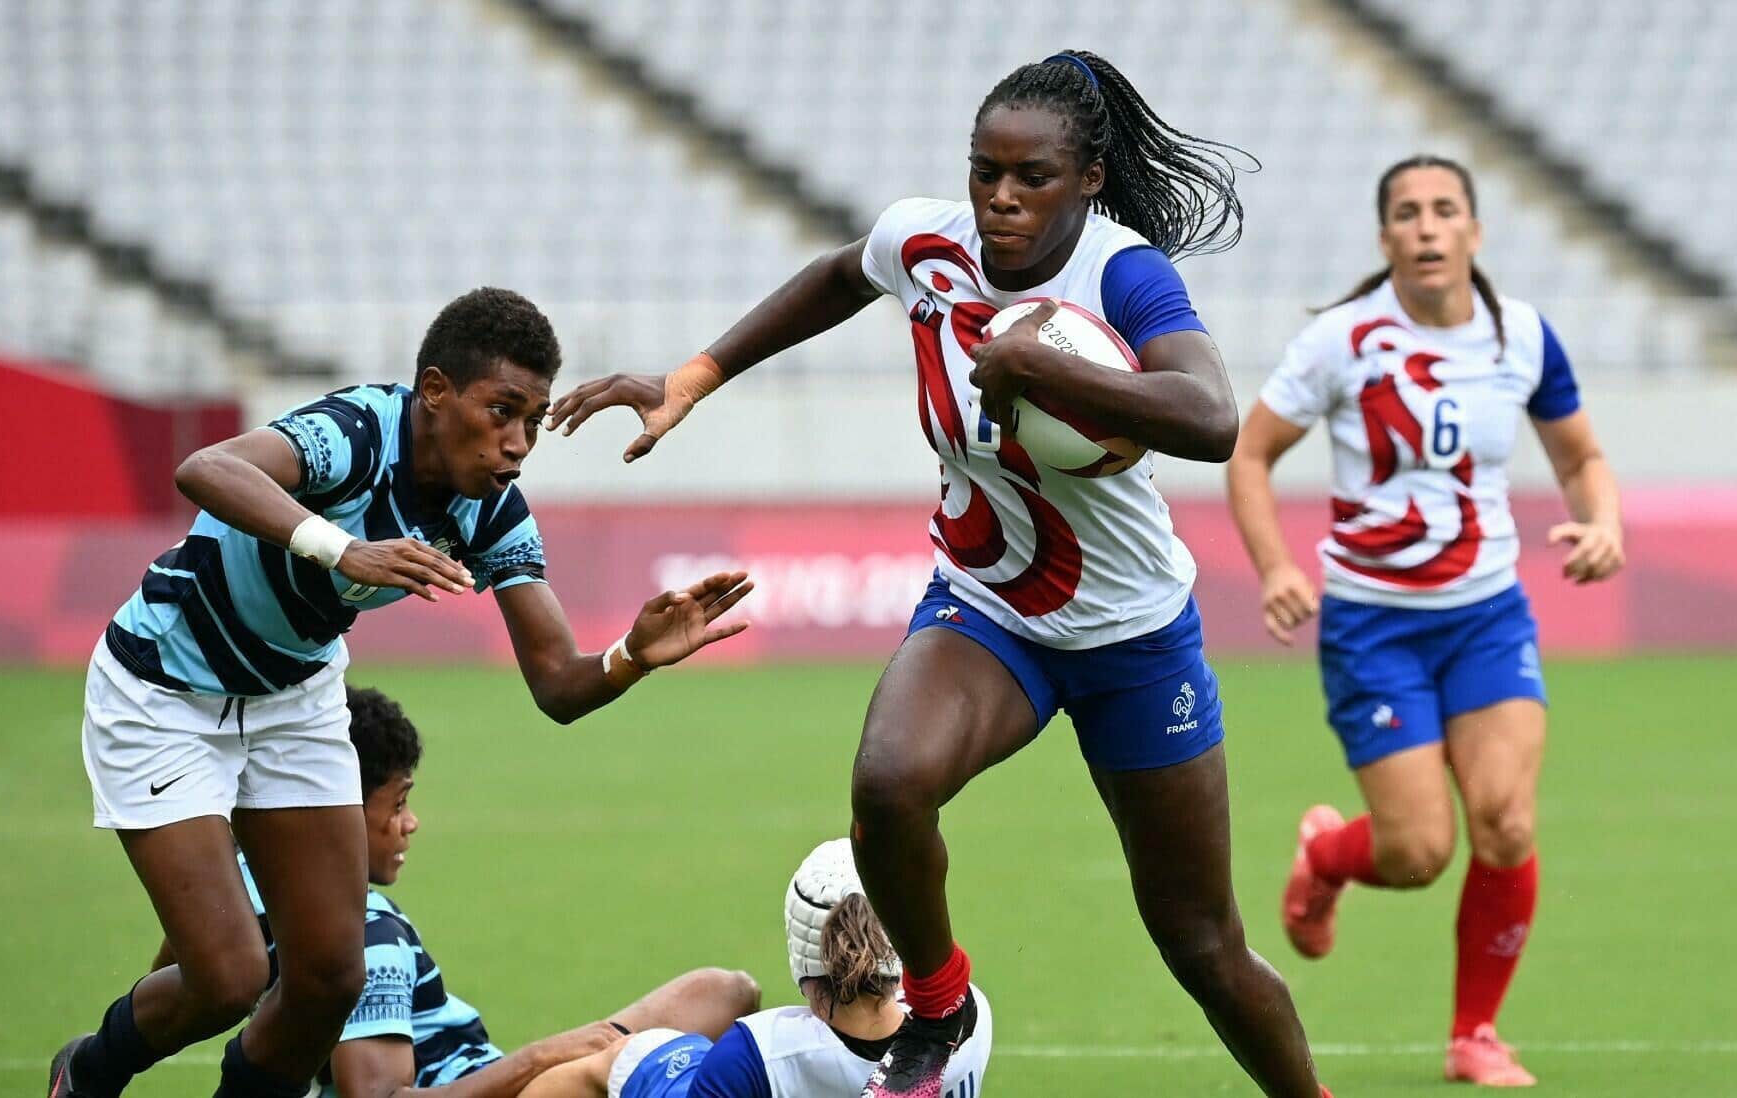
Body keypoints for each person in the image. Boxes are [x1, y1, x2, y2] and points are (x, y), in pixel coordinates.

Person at [548, 50, 1331, 1098]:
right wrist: (694, 376)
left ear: (1088, 179)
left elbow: (1210, 416)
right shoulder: (928, 240)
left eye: (1032, 177)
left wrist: (1040, 365)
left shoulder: (1121, 273)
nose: (1001, 198)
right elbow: (836, 276)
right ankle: (940, 1000)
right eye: (985, 171)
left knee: (1200, 943)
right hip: (988, 610)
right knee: (888, 783)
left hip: (1135, 637)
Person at [49, 288, 754, 1098]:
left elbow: (559, 684)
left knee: (328, 982)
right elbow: (206, 468)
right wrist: (342, 549)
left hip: (293, 698)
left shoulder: (491, 511)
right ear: (435, 392)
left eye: (532, 419)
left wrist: (634, 653)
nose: (517, 443)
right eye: (501, 412)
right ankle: (86, 1073)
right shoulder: (353, 434)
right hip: (165, 688)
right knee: (229, 977)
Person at [1226, 155, 1624, 1087]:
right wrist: (1277, 566)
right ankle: (1327, 852)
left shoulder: (1520, 337)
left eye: (1446, 210)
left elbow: (1581, 456)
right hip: (1375, 627)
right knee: (1416, 853)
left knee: (1507, 823)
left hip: (1487, 617)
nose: (1428, 226)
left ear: (1474, 233)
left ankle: (1473, 1036)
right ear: (1386, 239)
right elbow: (1250, 455)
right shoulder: (1342, 340)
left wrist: (1604, 521)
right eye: (1408, 213)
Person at [152, 685, 763, 1098]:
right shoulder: (364, 930)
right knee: (624, 1062)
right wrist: (537, 1058)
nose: (409, 823)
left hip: (493, 1077)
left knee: (725, 991)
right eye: (398, 803)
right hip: (499, 1089)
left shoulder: (239, 884)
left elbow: (172, 988)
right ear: (335, 813)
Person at [517, 838, 990, 1098]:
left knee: (626, 1055)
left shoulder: (760, 1053)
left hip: (706, 1083)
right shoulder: (973, 1019)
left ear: (805, 959)